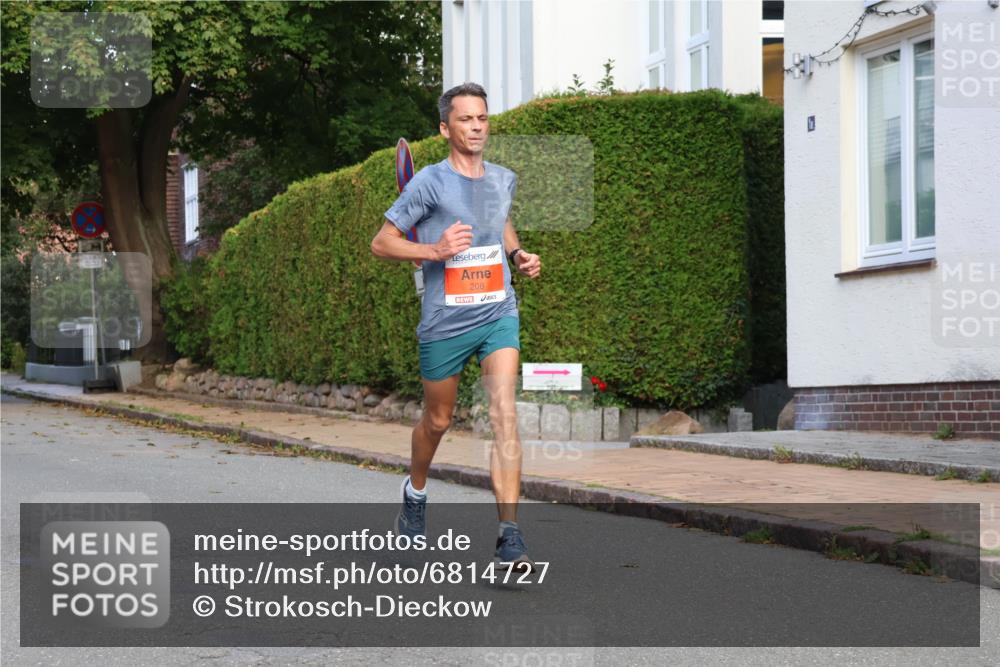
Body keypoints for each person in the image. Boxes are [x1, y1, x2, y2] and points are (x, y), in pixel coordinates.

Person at [370, 82, 541, 570]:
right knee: (438, 421)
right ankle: (415, 492)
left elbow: (499, 221)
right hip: (446, 320)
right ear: (446, 128)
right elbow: (382, 242)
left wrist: (517, 254)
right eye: (466, 119)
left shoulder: (503, 179)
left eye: (482, 118)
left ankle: (510, 535)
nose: (477, 127)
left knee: (504, 413)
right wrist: (434, 250)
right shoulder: (428, 182)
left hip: (497, 312)